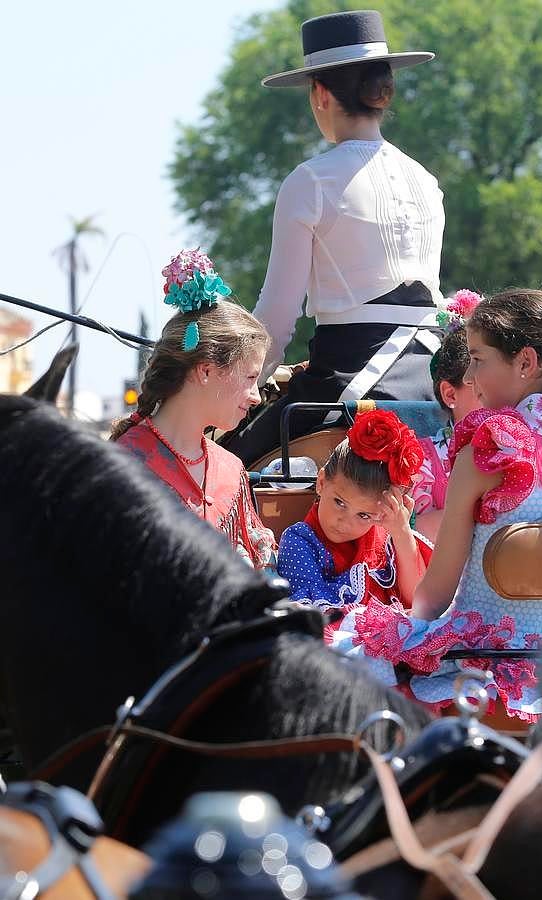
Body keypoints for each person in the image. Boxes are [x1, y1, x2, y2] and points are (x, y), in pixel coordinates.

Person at [329, 266, 542, 721]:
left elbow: (435, 595)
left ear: (525, 363)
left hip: (487, 667)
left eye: (479, 359)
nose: (473, 375)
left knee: (349, 651)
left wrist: (404, 628)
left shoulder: (493, 442)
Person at [222, 10, 444, 465]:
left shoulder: (310, 182)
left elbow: (277, 318)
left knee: (224, 469)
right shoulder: (426, 180)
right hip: (433, 384)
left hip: (346, 384)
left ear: (320, 94)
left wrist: (240, 386)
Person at [111, 249, 276, 570]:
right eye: (250, 377)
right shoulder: (124, 467)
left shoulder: (230, 469)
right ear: (206, 370)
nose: (256, 396)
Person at [276, 410, 431, 627]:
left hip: (390, 643)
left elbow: (417, 601)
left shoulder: (385, 535)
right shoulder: (299, 541)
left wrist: (401, 532)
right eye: (339, 502)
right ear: (321, 483)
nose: (344, 522)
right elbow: (314, 616)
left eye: (364, 515)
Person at [412, 290, 482, 540]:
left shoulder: (528, 446)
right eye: (478, 384)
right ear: (450, 394)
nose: (495, 393)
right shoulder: (420, 463)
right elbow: (409, 534)